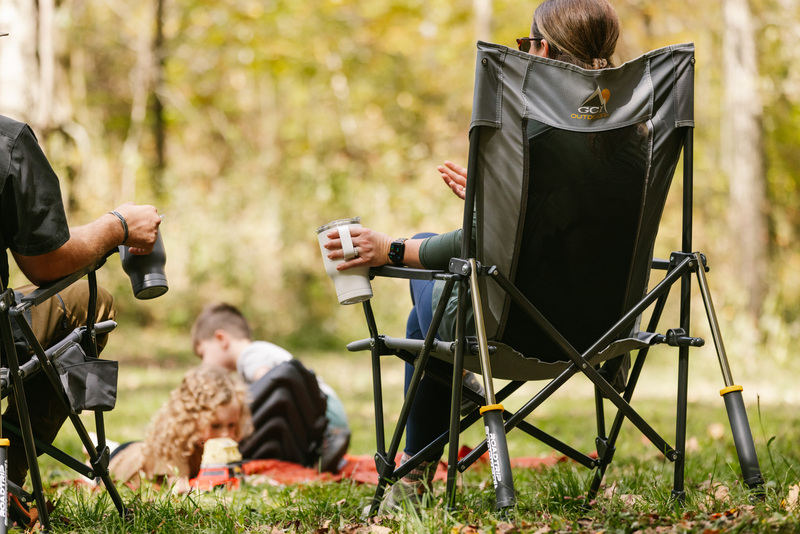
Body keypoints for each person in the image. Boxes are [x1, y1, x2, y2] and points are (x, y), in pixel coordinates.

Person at [321, 0, 622, 509]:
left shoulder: (528, 129)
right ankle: (428, 440)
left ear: (542, 50)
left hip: (511, 333)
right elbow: (565, 232)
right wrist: (497, 202)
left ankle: (419, 466)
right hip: (604, 330)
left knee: (433, 296)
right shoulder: (632, 131)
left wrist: (390, 249)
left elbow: (476, 245)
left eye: (527, 44)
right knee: (435, 311)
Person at [0, 103, 162, 489]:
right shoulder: (7, 141)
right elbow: (47, 263)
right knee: (89, 302)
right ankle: (7, 471)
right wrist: (117, 227)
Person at [190, 302, 351, 472]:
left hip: (324, 421)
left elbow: (271, 386)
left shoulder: (250, 354)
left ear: (221, 339)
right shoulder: (259, 352)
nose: (203, 363)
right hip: (321, 418)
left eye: (203, 354)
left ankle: (327, 442)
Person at [108, 365, 253, 492]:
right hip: (123, 460)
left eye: (232, 425)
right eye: (215, 426)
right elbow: (180, 487)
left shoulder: (213, 448)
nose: (225, 434)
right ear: (191, 419)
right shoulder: (174, 444)